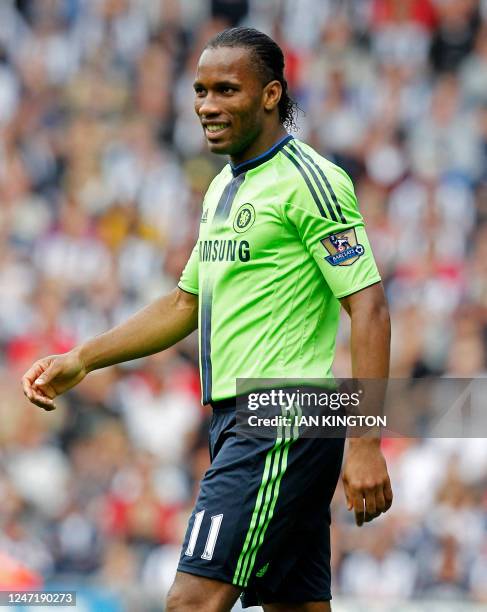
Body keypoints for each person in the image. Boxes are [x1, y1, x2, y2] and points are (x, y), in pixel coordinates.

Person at [22, 27, 392, 612]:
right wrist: (83, 358)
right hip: (238, 422)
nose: (207, 105)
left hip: (282, 415)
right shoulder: (222, 186)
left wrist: (368, 438)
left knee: (190, 602)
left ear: (271, 95)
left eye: (226, 89)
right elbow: (183, 305)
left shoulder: (310, 181)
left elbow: (368, 305)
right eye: (200, 90)